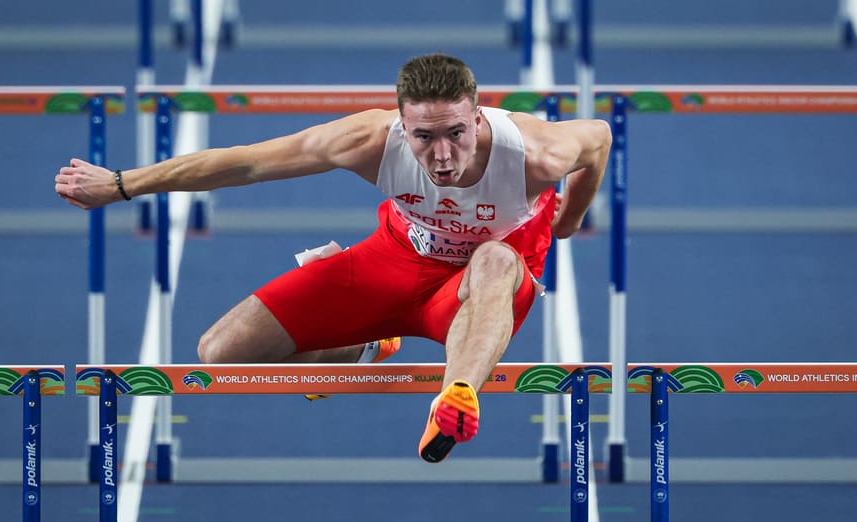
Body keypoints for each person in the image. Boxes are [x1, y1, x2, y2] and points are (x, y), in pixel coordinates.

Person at [55, 53, 611, 463]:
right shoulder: (370, 139)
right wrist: (122, 184)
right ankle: (368, 346)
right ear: (401, 127)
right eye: (424, 137)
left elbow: (600, 138)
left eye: (456, 134)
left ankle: (456, 396)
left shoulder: (535, 151)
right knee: (220, 353)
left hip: (479, 292)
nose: (442, 155)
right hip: (393, 264)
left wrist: (569, 219)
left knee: (494, 257)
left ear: (478, 119)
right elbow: (245, 163)